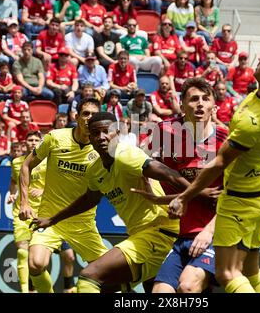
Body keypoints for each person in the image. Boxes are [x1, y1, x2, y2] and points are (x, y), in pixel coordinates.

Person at [167, 44, 260, 293]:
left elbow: (219, 163)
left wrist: (184, 196)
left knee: (228, 271)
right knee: (251, 268)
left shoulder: (251, 122)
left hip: (240, 199)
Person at [32, 111, 210, 293]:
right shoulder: (95, 170)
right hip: (140, 236)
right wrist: (53, 219)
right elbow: (89, 199)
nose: (101, 137)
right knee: (107, 289)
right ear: (90, 137)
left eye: (106, 131)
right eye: (95, 133)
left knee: (89, 276)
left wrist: (201, 193)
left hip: (158, 232)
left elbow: (169, 174)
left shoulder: (127, 156)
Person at [141, 77, 227, 293]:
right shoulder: (165, 132)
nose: (200, 103)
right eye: (194, 99)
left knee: (187, 287)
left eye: (205, 99)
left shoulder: (226, 142)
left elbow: (236, 197)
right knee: (161, 292)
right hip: (180, 235)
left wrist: (209, 232)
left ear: (213, 107)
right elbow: (140, 161)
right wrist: (154, 191)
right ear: (182, 105)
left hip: (216, 235)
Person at [18, 98, 109, 293]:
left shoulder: (103, 148)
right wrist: (24, 202)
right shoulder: (55, 138)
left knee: (110, 275)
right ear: (76, 117)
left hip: (83, 224)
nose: (89, 119)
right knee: (35, 263)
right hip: (48, 219)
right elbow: (26, 165)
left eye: (94, 115)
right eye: (85, 114)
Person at [8, 130, 45, 293]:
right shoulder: (16, 162)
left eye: (36, 140)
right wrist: (12, 193)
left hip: (42, 213)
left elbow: (57, 184)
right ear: (25, 143)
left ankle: (34, 288)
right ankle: (24, 291)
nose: (33, 142)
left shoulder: (47, 162)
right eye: (30, 140)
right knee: (23, 251)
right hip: (21, 212)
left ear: (41, 142)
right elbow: (14, 181)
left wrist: (43, 190)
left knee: (37, 258)